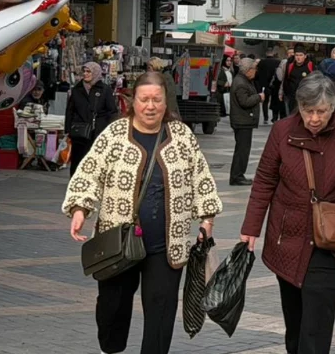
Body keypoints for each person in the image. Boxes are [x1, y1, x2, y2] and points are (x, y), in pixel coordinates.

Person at [63, 71, 222, 354]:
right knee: (112, 307)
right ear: (132, 101)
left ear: (165, 102)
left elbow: (201, 178)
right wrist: (80, 208)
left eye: (156, 100)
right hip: (118, 243)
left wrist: (207, 220)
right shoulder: (114, 134)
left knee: (161, 312)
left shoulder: (182, 136)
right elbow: (88, 173)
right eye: (144, 99)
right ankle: (110, 349)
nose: (150, 106)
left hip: (167, 245)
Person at [240, 74, 335, 354]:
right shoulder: (282, 131)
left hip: (332, 240)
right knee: (296, 320)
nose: (314, 118)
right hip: (288, 237)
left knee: (317, 321)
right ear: (299, 107)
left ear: (333, 107)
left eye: (321, 112)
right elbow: (264, 180)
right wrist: (251, 228)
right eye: (307, 111)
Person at [67, 62, 118, 175]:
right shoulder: (77, 89)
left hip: (98, 132)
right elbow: (70, 110)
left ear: (95, 72)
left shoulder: (104, 89)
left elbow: (112, 111)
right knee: (77, 160)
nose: (85, 74)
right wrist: (68, 130)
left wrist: (108, 130)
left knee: (95, 161)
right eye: (84, 71)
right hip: (80, 133)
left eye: (88, 71)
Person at [228, 57, 263, 186]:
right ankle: (237, 176)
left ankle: (238, 175)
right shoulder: (241, 83)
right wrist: (259, 97)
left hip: (244, 120)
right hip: (242, 121)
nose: (255, 71)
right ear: (248, 70)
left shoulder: (244, 80)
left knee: (243, 149)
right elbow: (245, 101)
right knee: (242, 150)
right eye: (254, 69)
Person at [281, 47, 315, 117]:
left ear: (305, 56)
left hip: (306, 98)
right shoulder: (290, 65)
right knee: (292, 116)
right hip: (292, 97)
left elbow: (315, 80)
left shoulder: (310, 65)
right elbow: (286, 79)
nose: (298, 57)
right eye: (297, 55)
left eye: (301, 55)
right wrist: (285, 92)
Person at [258, 47, 282, 123]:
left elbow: (259, 74)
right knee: (275, 101)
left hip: (264, 85)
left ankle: (265, 118)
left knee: (265, 101)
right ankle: (274, 118)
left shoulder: (262, 62)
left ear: (266, 53)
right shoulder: (278, 62)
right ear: (273, 53)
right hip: (275, 85)